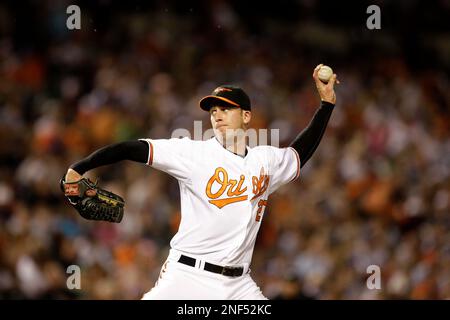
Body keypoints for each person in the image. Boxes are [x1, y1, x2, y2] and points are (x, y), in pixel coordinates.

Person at [64, 64, 338, 299]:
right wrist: (82, 166)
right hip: (187, 276)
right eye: (214, 110)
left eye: (226, 109)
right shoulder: (194, 153)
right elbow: (134, 148)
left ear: (246, 116)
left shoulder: (265, 160)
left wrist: (326, 105)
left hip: (238, 284)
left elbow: (299, 154)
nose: (217, 114)